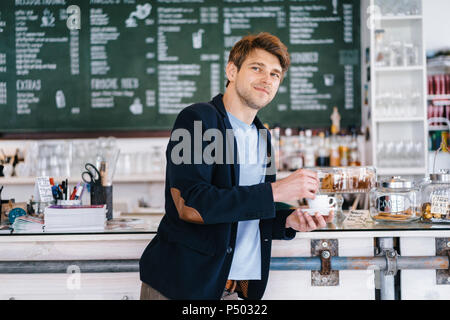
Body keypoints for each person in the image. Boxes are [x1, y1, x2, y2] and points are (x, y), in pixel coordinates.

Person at [139, 32, 334, 300]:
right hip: (184, 287)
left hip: (234, 289)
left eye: (275, 74)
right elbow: (192, 204)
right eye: (257, 68)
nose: (267, 79)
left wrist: (287, 220)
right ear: (232, 70)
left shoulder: (262, 137)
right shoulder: (197, 120)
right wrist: (276, 192)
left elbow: (247, 214)